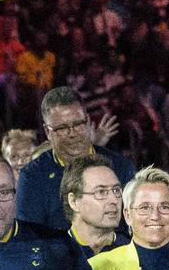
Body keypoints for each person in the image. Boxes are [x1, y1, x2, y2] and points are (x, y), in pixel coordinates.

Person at [17, 87, 136, 232]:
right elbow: (29, 239)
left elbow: (134, 228)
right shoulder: (33, 177)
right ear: (48, 132)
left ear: (88, 122)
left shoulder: (120, 167)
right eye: (62, 128)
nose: (72, 134)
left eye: (78, 124)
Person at [61, 154, 124, 258]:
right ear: (74, 201)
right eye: (101, 192)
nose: (114, 200)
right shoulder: (51, 258)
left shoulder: (135, 254)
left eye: (116, 190)